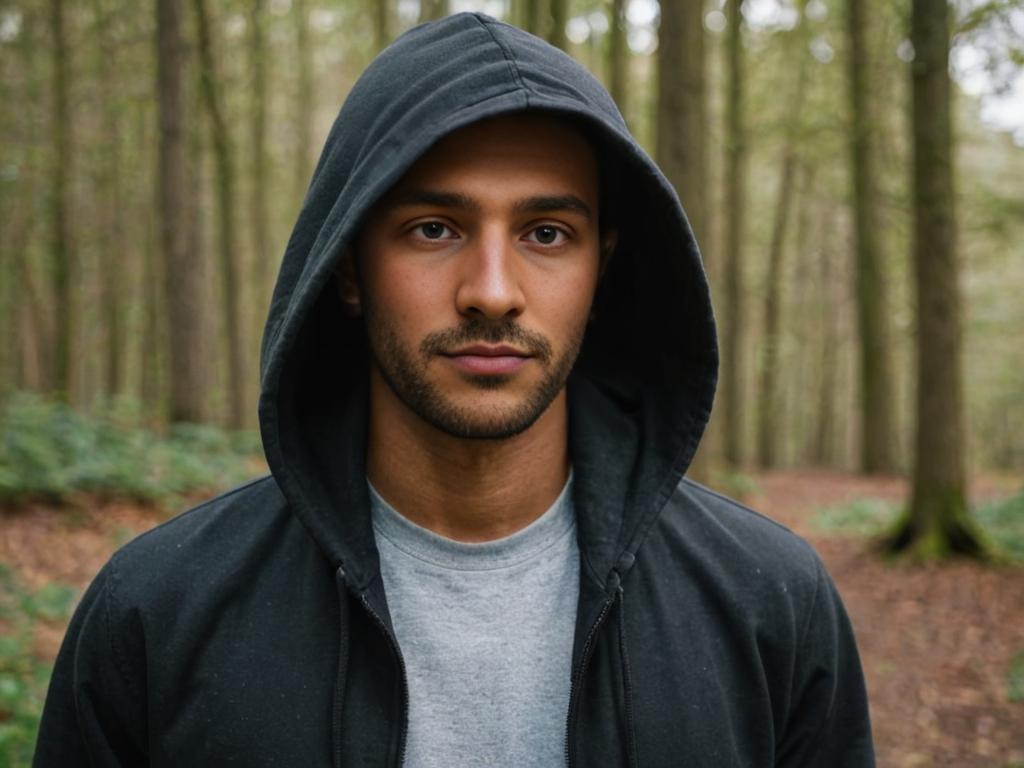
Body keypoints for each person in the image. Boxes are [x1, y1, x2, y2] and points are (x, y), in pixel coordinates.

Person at [34, 12, 874, 767]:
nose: (493, 291)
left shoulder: (770, 607)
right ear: (350, 269)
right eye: (433, 229)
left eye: (547, 233)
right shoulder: (156, 613)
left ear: (600, 271)